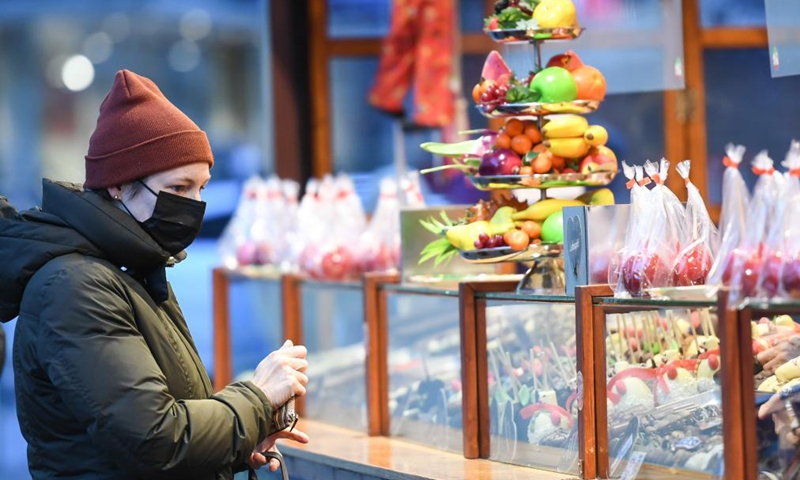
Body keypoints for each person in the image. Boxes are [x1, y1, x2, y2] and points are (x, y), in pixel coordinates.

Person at [0, 70, 309, 479]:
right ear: (118, 187)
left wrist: (239, 440)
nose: (195, 205)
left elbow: (165, 419)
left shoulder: (133, 267)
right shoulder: (75, 286)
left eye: (201, 188)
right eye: (179, 188)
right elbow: (155, 440)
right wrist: (257, 397)